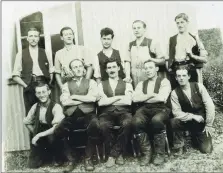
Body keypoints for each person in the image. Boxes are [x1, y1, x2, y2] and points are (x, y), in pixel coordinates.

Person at [54, 59, 100, 172]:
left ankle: (88, 158)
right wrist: (84, 99)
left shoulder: (92, 82)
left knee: (95, 125)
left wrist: (74, 96)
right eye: (75, 67)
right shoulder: (66, 85)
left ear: (84, 69)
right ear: (71, 70)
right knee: (58, 130)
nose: (78, 69)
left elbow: (93, 98)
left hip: (88, 114)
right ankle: (71, 158)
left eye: (80, 66)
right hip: (71, 115)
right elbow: (65, 102)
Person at [132, 60, 171, 166]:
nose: (148, 70)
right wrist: (152, 95)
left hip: (161, 109)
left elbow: (161, 98)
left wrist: (143, 98)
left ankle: (159, 153)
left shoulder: (164, 81)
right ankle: (147, 153)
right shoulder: (141, 84)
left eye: (150, 68)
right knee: (136, 121)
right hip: (144, 110)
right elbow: (135, 99)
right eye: (146, 68)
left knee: (157, 120)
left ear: (156, 69)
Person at [170, 66, 215, 154]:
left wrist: (209, 124)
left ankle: (195, 135)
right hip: (187, 121)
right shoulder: (174, 93)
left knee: (206, 150)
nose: (181, 78)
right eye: (179, 76)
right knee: (174, 121)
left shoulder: (199, 87)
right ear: (176, 78)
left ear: (189, 76)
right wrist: (192, 116)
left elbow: (209, 105)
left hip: (201, 121)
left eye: (184, 75)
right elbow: (176, 112)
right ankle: (179, 146)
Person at [97, 58, 133, 167]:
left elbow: (128, 101)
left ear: (118, 68)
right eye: (109, 68)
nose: (111, 70)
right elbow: (101, 103)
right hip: (106, 113)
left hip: (124, 112)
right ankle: (118, 154)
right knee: (103, 126)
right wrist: (119, 97)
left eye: (113, 67)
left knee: (128, 123)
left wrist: (109, 99)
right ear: (106, 70)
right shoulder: (101, 85)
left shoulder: (127, 83)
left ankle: (113, 154)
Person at [12, 27, 54, 114]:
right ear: (27, 38)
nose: (33, 38)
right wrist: (26, 86)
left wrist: (48, 84)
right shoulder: (20, 54)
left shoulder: (45, 52)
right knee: (31, 113)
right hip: (29, 85)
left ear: (39, 38)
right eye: (31, 36)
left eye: (35, 36)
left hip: (44, 83)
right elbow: (15, 76)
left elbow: (51, 71)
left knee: (48, 111)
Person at [23, 83, 65, 168]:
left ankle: (57, 157)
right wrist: (34, 133)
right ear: (35, 94)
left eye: (44, 92)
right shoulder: (35, 106)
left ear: (49, 92)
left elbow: (55, 128)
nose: (41, 95)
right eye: (39, 93)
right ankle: (44, 157)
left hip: (53, 134)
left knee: (53, 137)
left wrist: (38, 135)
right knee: (32, 165)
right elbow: (26, 122)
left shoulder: (56, 107)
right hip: (41, 135)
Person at [167, 13, 208, 89]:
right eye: (177, 23)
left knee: (192, 93)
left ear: (187, 22)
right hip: (176, 70)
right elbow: (169, 57)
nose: (180, 25)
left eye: (182, 22)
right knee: (177, 94)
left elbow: (205, 59)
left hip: (190, 70)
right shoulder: (172, 39)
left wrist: (192, 55)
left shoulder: (194, 39)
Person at [124, 20, 165, 88]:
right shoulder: (130, 45)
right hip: (134, 78)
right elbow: (127, 62)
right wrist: (127, 76)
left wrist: (151, 59)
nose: (136, 30)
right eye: (134, 28)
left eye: (139, 28)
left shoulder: (152, 43)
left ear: (144, 29)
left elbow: (162, 61)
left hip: (147, 76)